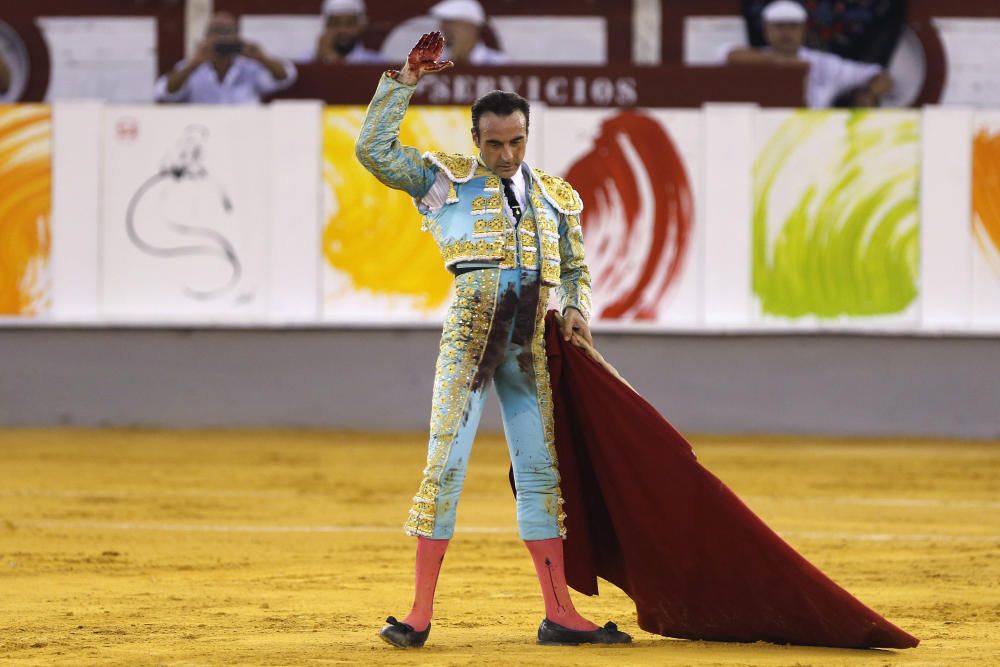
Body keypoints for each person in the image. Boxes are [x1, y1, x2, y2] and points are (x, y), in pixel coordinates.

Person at [354, 32, 629, 648]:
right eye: (495, 144)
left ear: (527, 137)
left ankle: (560, 612)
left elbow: (577, 269)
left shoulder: (555, 197)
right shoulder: (443, 181)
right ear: (475, 141)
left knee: (540, 473)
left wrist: (578, 309)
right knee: (445, 464)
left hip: (531, 340)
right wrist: (404, 80)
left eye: (517, 142)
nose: (506, 155)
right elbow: (372, 151)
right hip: (472, 337)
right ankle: (419, 616)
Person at [726, 0, 892, 108]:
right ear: (766, 29)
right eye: (779, 26)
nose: (786, 33)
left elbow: (879, 75)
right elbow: (729, 54)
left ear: (804, 29)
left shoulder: (823, 63)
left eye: (792, 26)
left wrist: (870, 93)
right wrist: (781, 62)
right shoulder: (754, 59)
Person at [155, 12, 297, 104]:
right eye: (216, 31)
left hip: (245, 134)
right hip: (206, 135)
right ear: (206, 36)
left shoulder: (249, 66)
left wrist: (262, 58)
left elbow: (286, 76)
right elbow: (164, 92)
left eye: (227, 32)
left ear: (237, 36)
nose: (222, 37)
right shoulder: (192, 66)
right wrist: (193, 65)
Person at [429, 0, 509, 66]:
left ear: (470, 27)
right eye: (444, 22)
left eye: (451, 22)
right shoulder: (433, 63)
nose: (443, 27)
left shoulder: (499, 63)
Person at [312, 0, 384, 64]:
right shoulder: (305, 61)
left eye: (350, 23)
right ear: (326, 26)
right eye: (335, 23)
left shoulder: (378, 63)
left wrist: (334, 61)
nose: (342, 30)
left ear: (360, 26)